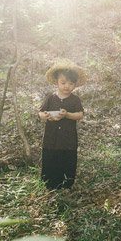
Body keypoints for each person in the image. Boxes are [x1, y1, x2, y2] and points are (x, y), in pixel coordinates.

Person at [38, 59, 86, 189]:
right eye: (63, 83)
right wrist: (46, 116)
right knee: (51, 158)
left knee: (67, 159)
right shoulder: (50, 97)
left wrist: (67, 115)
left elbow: (80, 115)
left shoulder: (75, 100)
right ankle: (49, 183)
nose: (66, 86)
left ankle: (66, 184)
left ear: (75, 85)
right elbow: (41, 113)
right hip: (51, 138)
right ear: (57, 82)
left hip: (68, 138)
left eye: (71, 84)